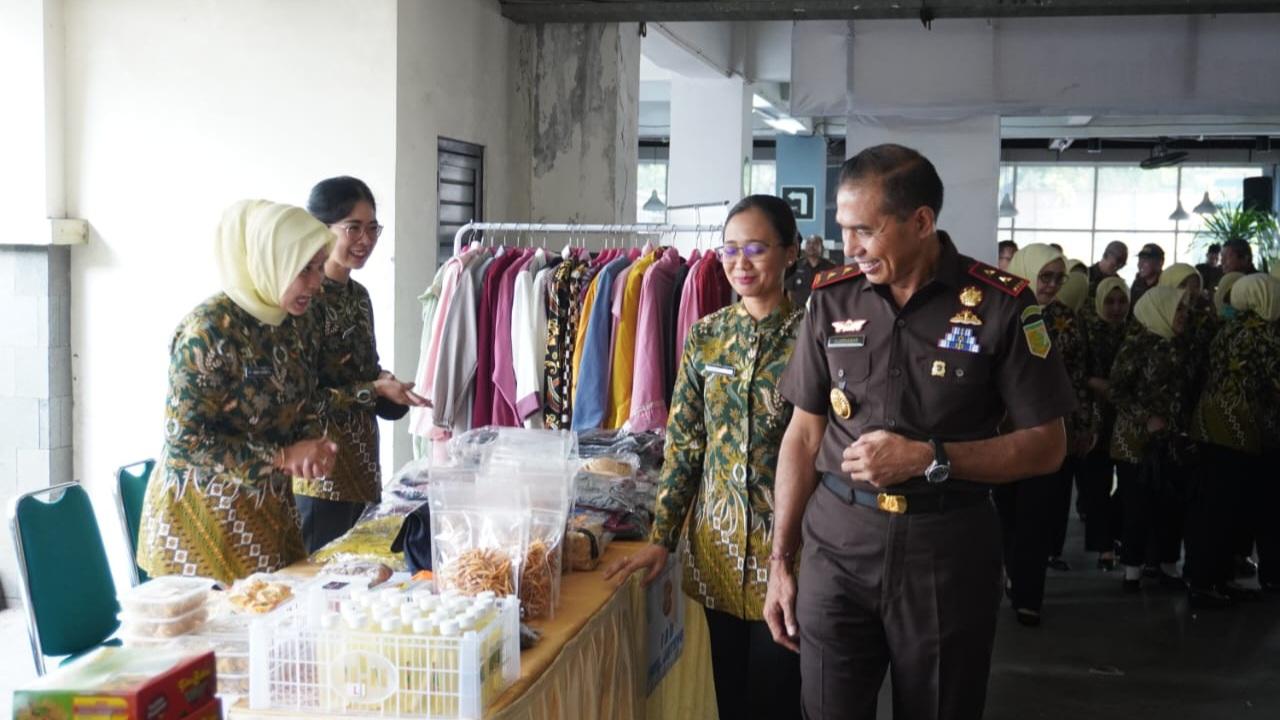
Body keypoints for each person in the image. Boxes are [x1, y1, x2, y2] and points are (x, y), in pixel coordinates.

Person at [764, 144, 1074, 720]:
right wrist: (781, 560)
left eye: (865, 231)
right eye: (842, 229)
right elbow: (803, 436)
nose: (848, 247)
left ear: (922, 222)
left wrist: (929, 457)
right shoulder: (831, 298)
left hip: (946, 551)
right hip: (837, 546)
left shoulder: (1003, 307)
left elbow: (1048, 445)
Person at [605, 195, 804, 720]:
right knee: (732, 697)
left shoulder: (814, 339)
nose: (740, 262)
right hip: (716, 551)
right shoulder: (707, 336)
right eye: (730, 249)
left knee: (779, 698)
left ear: (791, 253)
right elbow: (686, 446)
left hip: (788, 557)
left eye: (756, 248)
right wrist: (660, 539)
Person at [138, 200, 339, 585]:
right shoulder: (209, 332)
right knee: (215, 638)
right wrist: (281, 456)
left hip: (267, 517)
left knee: (271, 627)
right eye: (304, 270)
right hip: (199, 526)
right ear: (269, 262)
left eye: (318, 267)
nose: (316, 283)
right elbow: (186, 442)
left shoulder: (297, 321)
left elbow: (304, 395)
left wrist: (311, 442)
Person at [296, 177, 428, 553]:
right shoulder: (306, 300)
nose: (365, 240)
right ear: (321, 230)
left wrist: (390, 387)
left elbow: (365, 370)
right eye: (353, 228)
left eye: (372, 229)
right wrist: (374, 389)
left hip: (363, 471)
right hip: (320, 478)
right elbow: (305, 398)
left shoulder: (359, 296)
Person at [996, 244, 1087, 625]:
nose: (1050, 286)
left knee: (1037, 515)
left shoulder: (1068, 320)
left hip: (1048, 432)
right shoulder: (1002, 309)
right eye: (1044, 277)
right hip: (1002, 433)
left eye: (1057, 278)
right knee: (1004, 516)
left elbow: (1078, 378)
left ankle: (1029, 596)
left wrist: (1081, 427)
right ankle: (1011, 576)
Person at [1189, 274, 1280, 605]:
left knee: (1213, 507)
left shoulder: (1230, 326)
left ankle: (1211, 580)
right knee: (1224, 510)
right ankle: (1207, 584)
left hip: (1209, 421)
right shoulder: (1263, 332)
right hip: (1237, 426)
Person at [1108, 286, 1192, 594]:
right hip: (1135, 443)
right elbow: (1117, 390)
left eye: (1184, 310)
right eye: (1178, 309)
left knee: (1170, 506)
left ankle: (1167, 564)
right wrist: (1146, 418)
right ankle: (1132, 570)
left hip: (1172, 440)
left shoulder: (1181, 344)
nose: (1184, 315)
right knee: (1138, 506)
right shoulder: (1137, 344)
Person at [1081, 277, 1130, 571]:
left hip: (1125, 417)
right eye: (1110, 301)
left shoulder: (1135, 331)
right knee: (1096, 486)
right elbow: (1076, 370)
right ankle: (1103, 547)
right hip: (1095, 417)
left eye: (1121, 301)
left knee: (1127, 483)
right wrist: (1096, 384)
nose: (1115, 308)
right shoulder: (1087, 329)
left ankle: (1118, 535)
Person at [785, 233, 836, 306]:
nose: (811, 246)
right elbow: (788, 291)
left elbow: (836, 291)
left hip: (822, 310)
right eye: (808, 243)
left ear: (822, 247)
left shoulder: (831, 268)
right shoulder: (794, 266)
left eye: (815, 243)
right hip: (799, 312)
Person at [1086, 241, 1128, 312]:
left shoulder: (1119, 283)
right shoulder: (1085, 276)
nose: (1119, 265)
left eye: (1123, 263)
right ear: (1106, 255)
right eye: (1118, 260)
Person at [1130, 243, 1165, 312]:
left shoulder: (1166, 284)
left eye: (1146, 260)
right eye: (1140, 259)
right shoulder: (1138, 283)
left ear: (1160, 263)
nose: (1140, 264)